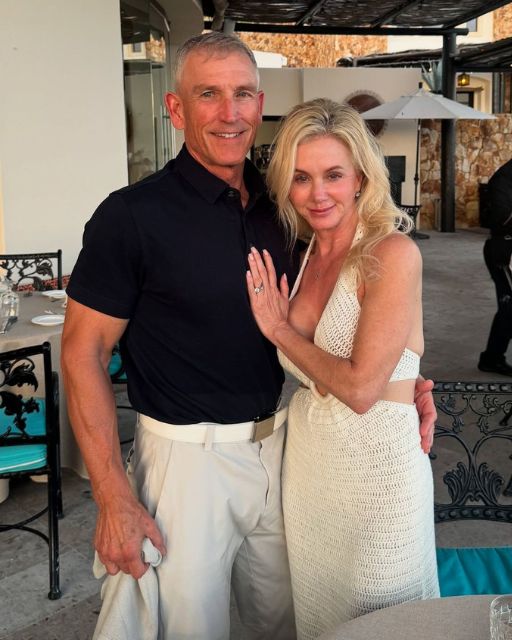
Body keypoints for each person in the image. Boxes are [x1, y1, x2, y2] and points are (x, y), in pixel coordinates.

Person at [61, 32, 436, 639]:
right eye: (208, 94)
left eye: (242, 94)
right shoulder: (131, 216)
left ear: (260, 106)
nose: (229, 113)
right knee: (189, 628)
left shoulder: (284, 207)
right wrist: (111, 495)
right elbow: (82, 351)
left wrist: (406, 379)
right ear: (175, 108)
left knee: (291, 622)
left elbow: (353, 312)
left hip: (286, 455)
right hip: (188, 464)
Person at [246, 98, 440, 640]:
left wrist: (280, 330)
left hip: (379, 477)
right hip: (312, 473)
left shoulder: (391, 253)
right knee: (322, 618)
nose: (318, 194)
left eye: (333, 175)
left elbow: (360, 388)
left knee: (384, 618)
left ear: (360, 177)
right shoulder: (307, 254)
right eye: (301, 177)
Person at [478, 158, 512, 376]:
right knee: (510, 307)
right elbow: (500, 218)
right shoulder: (502, 179)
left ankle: (492, 357)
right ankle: (491, 358)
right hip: (503, 251)